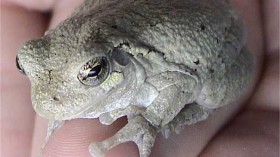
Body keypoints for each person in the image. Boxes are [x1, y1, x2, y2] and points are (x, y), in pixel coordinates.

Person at [1, 0, 279, 157]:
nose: (44, 95)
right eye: (26, 65)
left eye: (92, 72)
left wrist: (151, 120)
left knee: (211, 92)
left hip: (217, 33)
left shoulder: (137, 62)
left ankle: (194, 113)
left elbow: (181, 82)